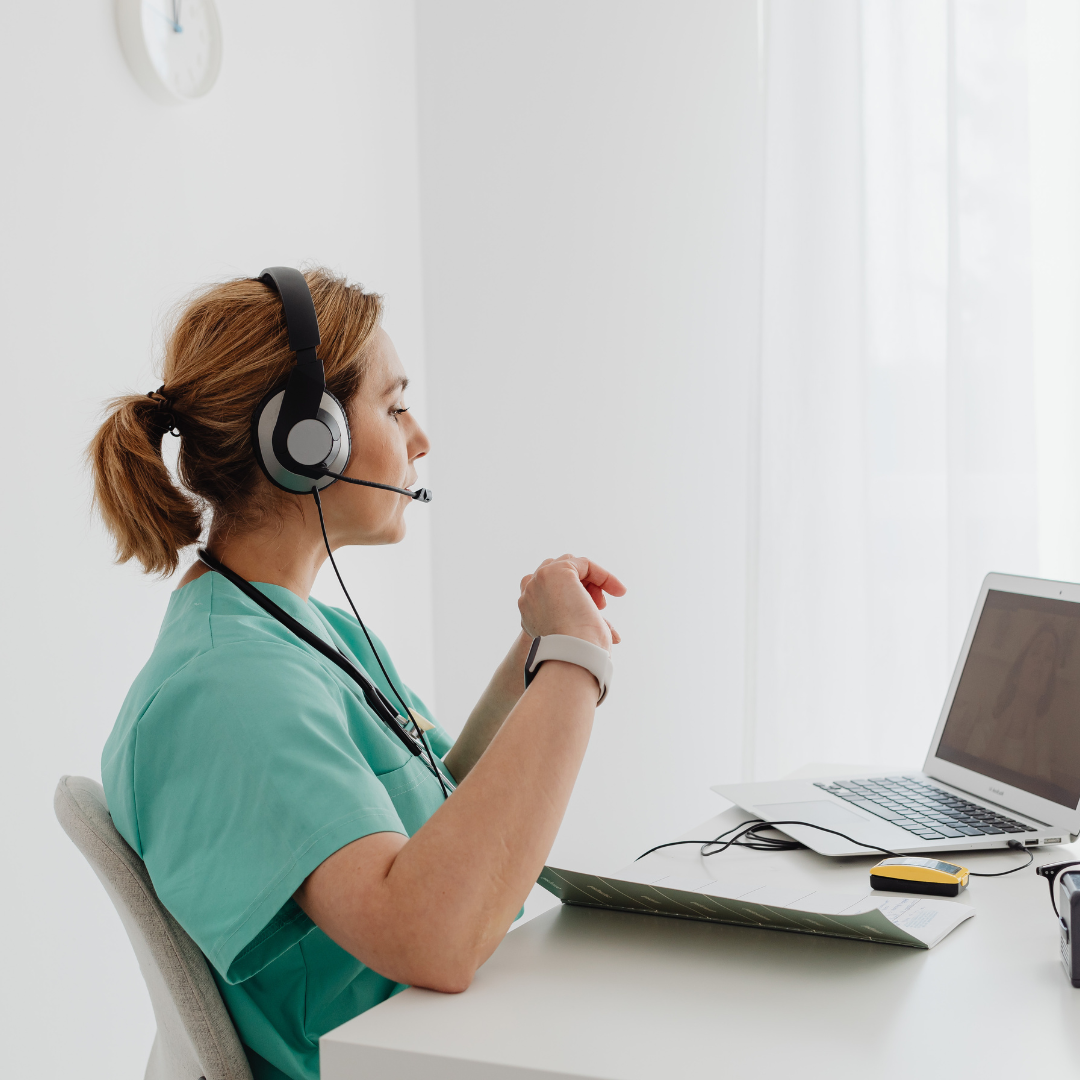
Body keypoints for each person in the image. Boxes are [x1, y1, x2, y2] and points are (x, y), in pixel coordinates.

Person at [89, 268, 625, 1080]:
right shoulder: (231, 689)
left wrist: (534, 653)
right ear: (307, 438)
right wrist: (575, 668)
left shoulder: (294, 630)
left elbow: (435, 814)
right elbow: (432, 936)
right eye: (396, 403)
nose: (420, 437)